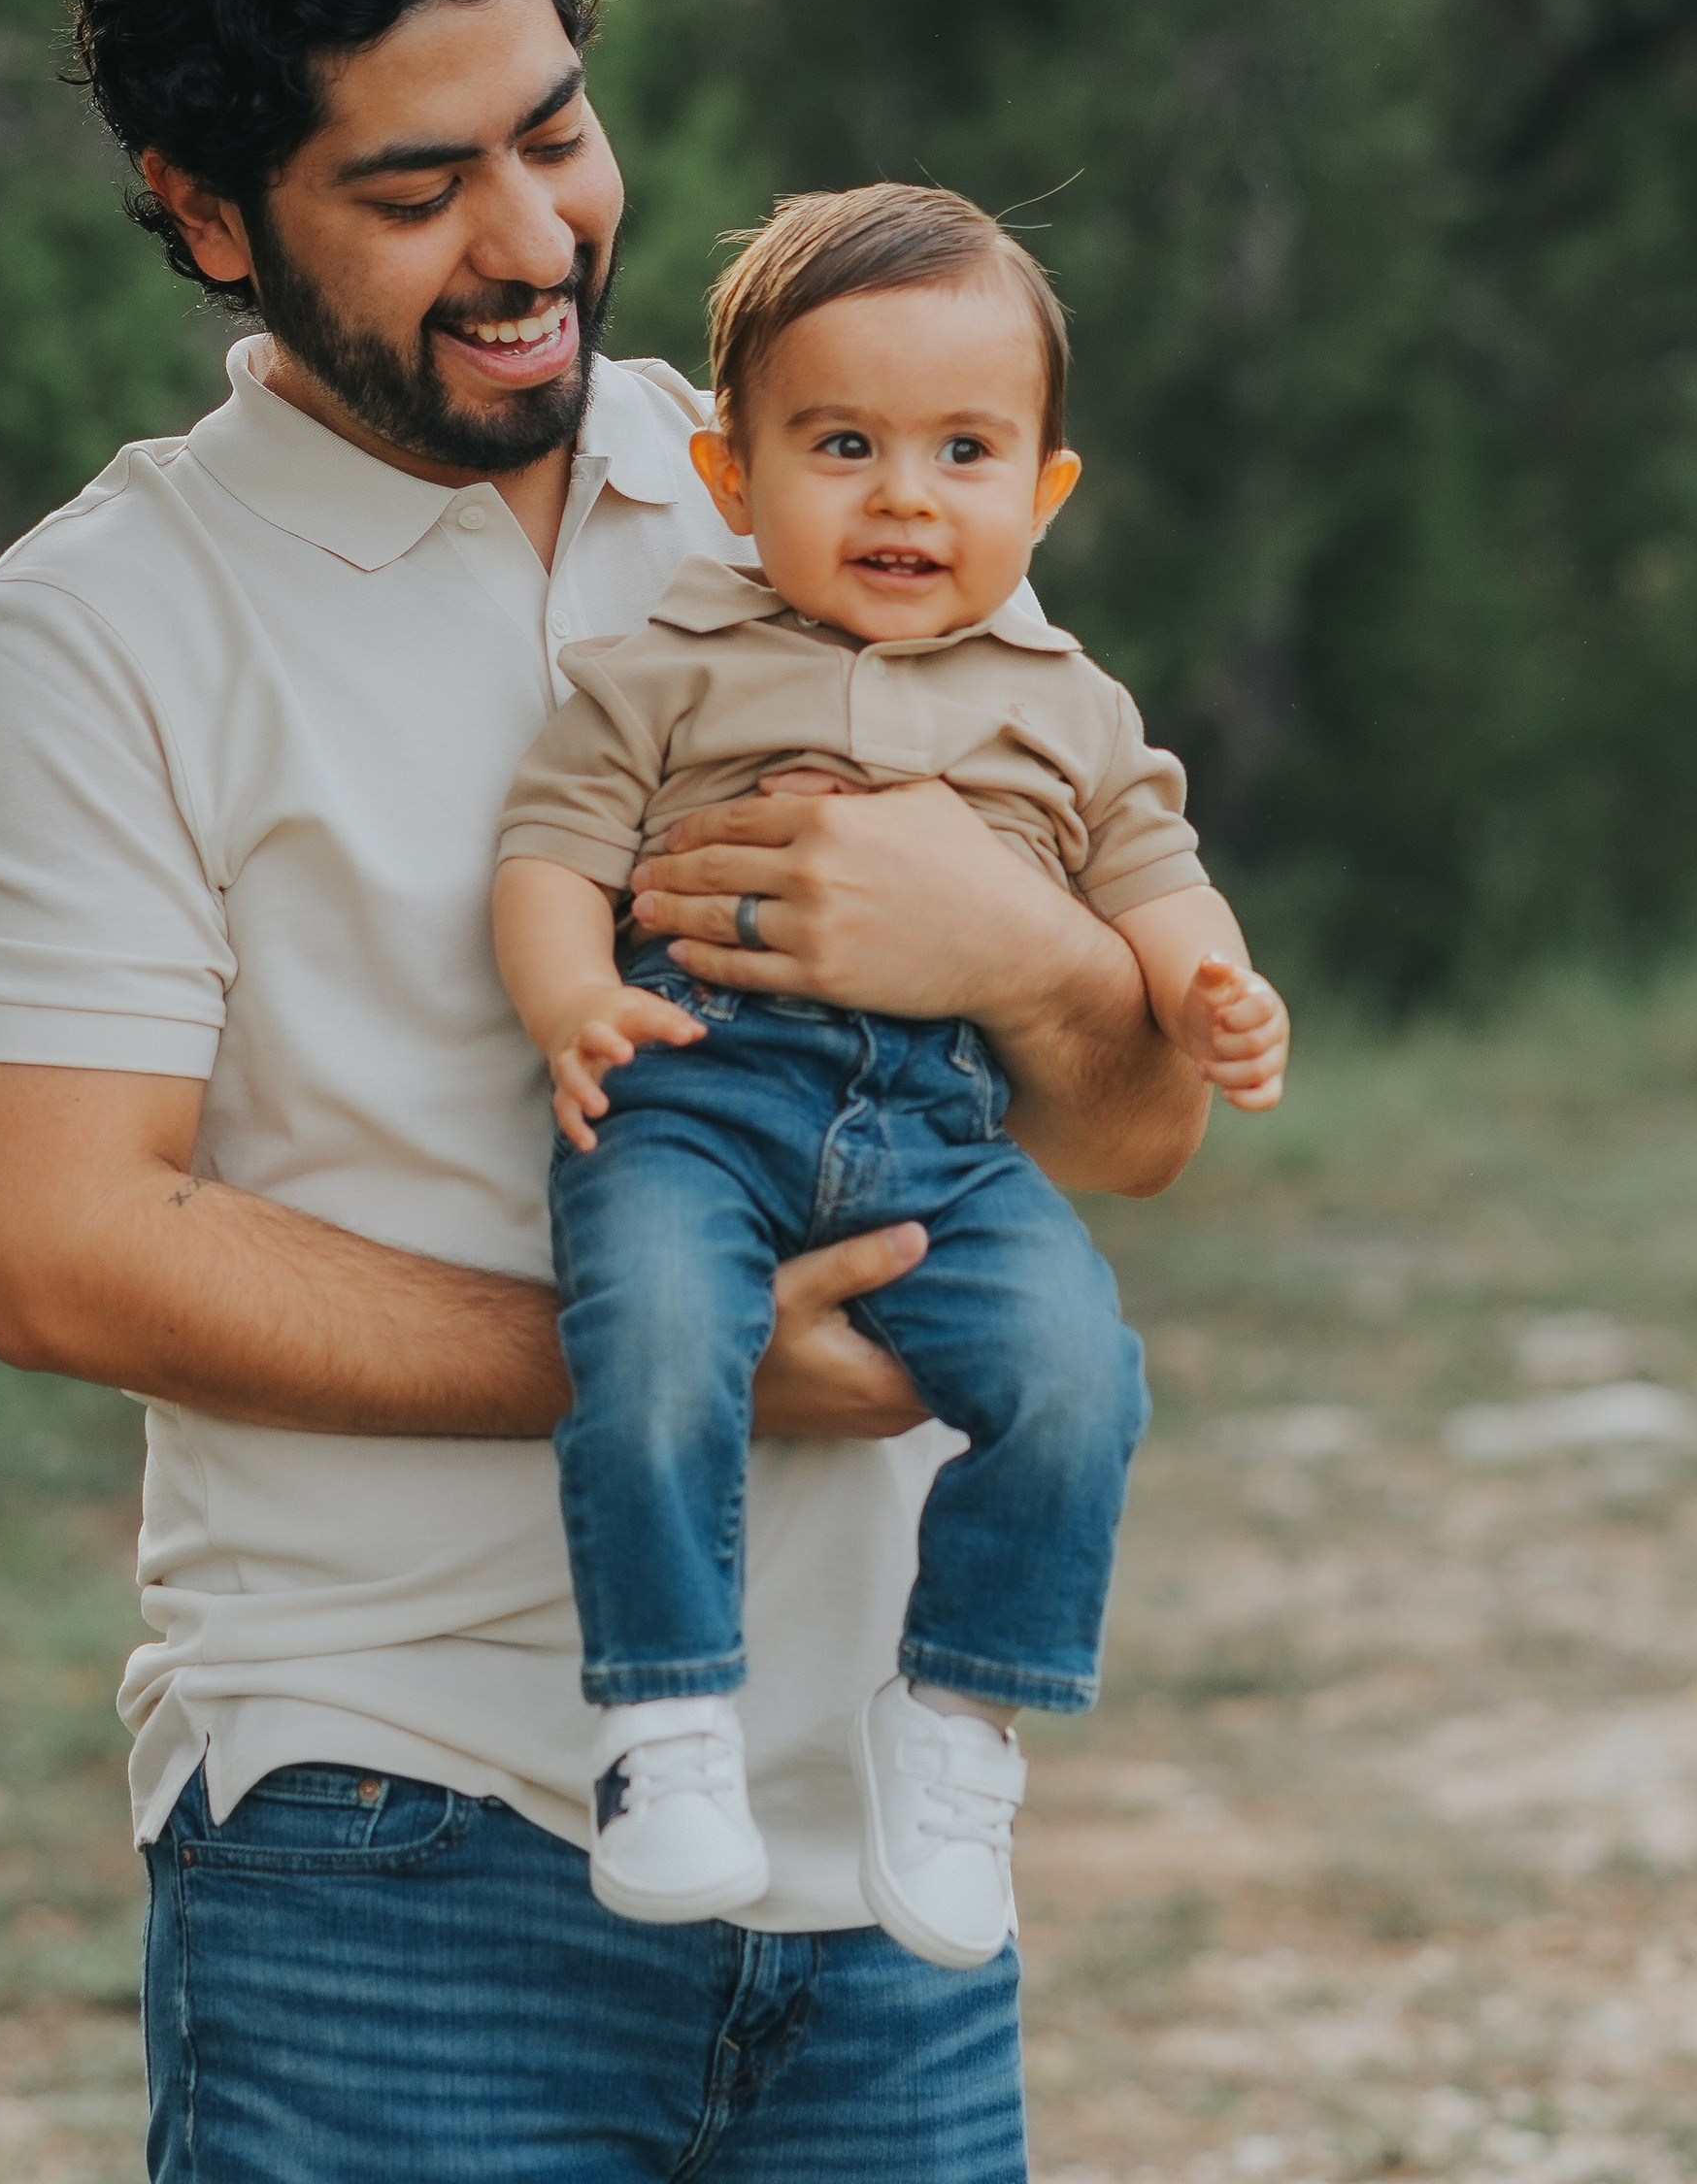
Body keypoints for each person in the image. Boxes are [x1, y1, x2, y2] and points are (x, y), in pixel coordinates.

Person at [0, 0, 1212, 2184]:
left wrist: (1019, 950)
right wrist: (712, 1368)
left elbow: (1127, 1126)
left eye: (556, 129)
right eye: (415, 189)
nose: (532, 236)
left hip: (871, 1878)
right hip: (383, 1844)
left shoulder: (830, 480)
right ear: (206, 215)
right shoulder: (95, 630)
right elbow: (56, 1239)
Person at [494, 182, 1290, 1970]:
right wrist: (570, 1004)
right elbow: (549, 848)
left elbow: (1155, 877)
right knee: (655, 1348)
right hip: (694, 1092)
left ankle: (955, 1722)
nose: (904, 496)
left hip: (945, 1137)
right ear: (730, 475)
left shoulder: (1068, 701)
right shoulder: (668, 667)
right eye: (841, 445)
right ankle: (665, 1723)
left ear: (1043, 490)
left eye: (963, 450)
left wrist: (1212, 985)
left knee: (1079, 1377)